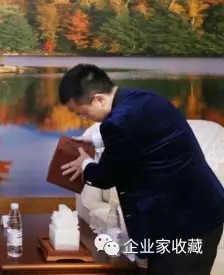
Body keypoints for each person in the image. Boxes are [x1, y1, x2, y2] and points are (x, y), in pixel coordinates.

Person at [59, 63, 224, 275]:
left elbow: (106, 177)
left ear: (99, 98)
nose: (85, 118)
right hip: (202, 213)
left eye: (83, 113)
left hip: (185, 224)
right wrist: (96, 140)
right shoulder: (144, 98)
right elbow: (141, 136)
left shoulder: (118, 123)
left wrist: (84, 164)